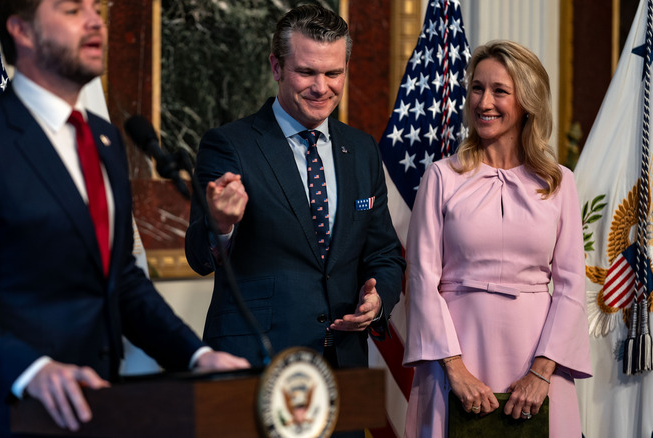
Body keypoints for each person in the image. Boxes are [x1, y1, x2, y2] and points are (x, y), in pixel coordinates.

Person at [0, 0, 249, 436]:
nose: (94, 20)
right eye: (71, 9)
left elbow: (120, 278)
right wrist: (32, 370)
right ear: (22, 31)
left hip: (96, 409)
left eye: (95, 8)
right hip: (5, 415)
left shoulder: (104, 140)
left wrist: (196, 357)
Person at [184, 4, 406, 370]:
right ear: (276, 67)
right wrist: (220, 224)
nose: (322, 87)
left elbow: (383, 253)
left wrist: (377, 299)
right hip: (258, 360)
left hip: (342, 364)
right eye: (306, 72)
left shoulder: (362, 148)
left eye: (333, 73)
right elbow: (199, 256)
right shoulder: (228, 144)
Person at [402, 40, 591, 437]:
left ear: (527, 101)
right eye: (476, 88)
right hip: (453, 358)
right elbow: (420, 278)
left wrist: (541, 372)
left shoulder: (560, 183)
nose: (483, 101)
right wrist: (454, 368)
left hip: (539, 360)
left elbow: (573, 285)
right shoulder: (440, 177)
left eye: (499, 91)